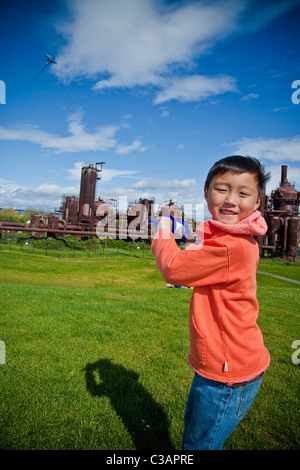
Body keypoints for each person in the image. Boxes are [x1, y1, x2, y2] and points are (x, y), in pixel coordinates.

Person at [151, 155, 271, 450]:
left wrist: (164, 228)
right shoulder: (233, 238)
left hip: (227, 373)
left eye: (243, 193)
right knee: (194, 436)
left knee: (199, 446)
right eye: (222, 189)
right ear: (206, 192)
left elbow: (174, 269)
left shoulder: (233, 247)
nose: (231, 200)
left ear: (257, 201)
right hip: (220, 364)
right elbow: (199, 260)